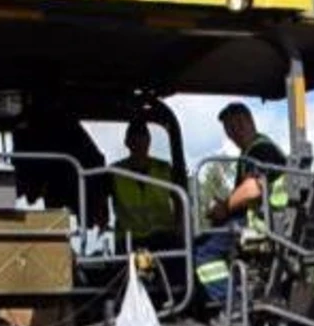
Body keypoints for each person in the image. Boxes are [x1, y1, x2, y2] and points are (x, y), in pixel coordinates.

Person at [192, 102, 290, 308]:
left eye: (237, 125)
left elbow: (253, 188)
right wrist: (223, 208)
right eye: (229, 129)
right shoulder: (251, 152)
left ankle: (235, 309)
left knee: (202, 251)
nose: (234, 133)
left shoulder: (261, 149)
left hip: (264, 224)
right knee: (210, 238)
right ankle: (237, 294)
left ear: (250, 121)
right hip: (266, 220)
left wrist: (225, 207)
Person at [109, 120, 181, 248]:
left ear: (149, 141)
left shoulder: (164, 168)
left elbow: (180, 200)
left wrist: (180, 229)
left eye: (143, 137)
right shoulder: (114, 172)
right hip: (129, 239)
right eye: (135, 139)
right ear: (127, 143)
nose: (139, 143)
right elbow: (99, 201)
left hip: (162, 236)